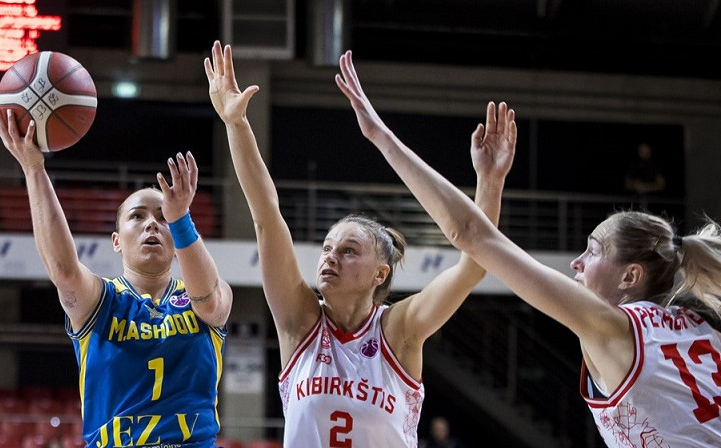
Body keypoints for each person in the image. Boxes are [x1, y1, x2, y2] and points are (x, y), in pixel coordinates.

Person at [336, 50, 721, 447]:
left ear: (630, 276)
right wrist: (490, 182)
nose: (577, 261)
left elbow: (469, 233)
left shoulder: (614, 328)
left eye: (592, 251)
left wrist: (380, 136)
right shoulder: (700, 331)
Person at [204, 40, 515, 447]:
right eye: (329, 248)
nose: (330, 257)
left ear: (379, 273)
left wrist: (489, 184)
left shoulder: (399, 331)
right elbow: (266, 218)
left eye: (349, 251)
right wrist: (236, 125)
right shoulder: (300, 323)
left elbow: (474, 264)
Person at [0, 108, 233, 448]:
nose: (152, 224)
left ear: (178, 239)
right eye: (138, 216)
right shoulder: (100, 299)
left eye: (162, 217)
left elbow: (208, 301)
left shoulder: (210, 292)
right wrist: (34, 168)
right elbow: (63, 269)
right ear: (116, 241)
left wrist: (181, 218)